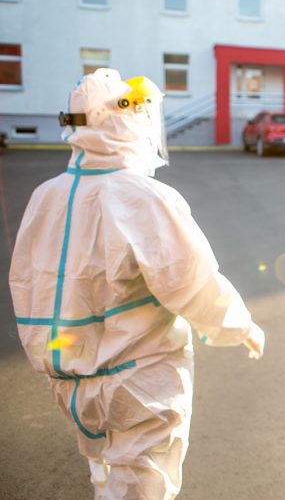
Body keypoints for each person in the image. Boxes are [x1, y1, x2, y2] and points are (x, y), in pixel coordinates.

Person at [9, 69, 265, 500]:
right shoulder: (142, 197)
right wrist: (240, 328)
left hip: (69, 377)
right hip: (139, 382)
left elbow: (30, 284)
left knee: (103, 473)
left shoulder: (45, 196)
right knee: (141, 486)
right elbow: (192, 283)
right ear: (123, 121)